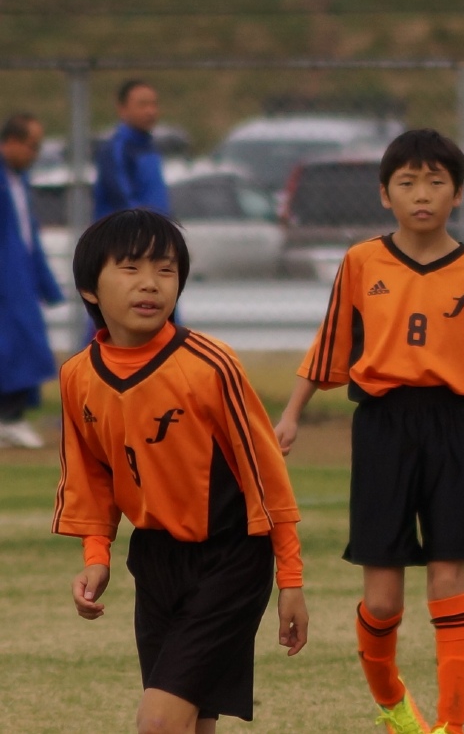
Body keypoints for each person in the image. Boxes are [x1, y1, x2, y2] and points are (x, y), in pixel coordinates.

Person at [274, 128, 464, 734]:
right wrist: (292, 413)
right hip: (381, 429)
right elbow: (329, 344)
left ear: (458, 193)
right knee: (382, 600)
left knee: (448, 579)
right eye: (407, 183)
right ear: (385, 194)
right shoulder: (361, 262)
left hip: (451, 429)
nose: (422, 194)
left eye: (436, 182)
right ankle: (394, 706)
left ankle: (451, 726)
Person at [52, 208, 308, 733]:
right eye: (130, 268)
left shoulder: (210, 365)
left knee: (159, 722)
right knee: (193, 723)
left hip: (230, 559)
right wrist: (96, 556)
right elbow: (90, 477)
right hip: (155, 561)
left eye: (166, 270)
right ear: (89, 289)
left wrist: (291, 578)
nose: (150, 283)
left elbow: (265, 476)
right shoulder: (77, 377)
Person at [0, 112, 62, 448]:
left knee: (27, 345)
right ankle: (9, 419)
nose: (34, 154)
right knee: (13, 346)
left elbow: (28, 234)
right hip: (7, 278)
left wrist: (44, 281)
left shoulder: (19, 182)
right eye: (30, 145)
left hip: (20, 275)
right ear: (9, 142)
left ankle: (13, 416)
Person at [93, 79, 168, 219]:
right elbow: (123, 201)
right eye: (142, 105)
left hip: (154, 229)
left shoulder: (151, 146)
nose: (150, 111)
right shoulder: (116, 150)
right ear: (122, 109)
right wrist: (146, 226)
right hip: (127, 230)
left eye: (154, 104)